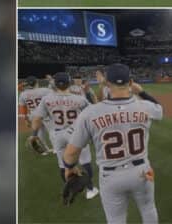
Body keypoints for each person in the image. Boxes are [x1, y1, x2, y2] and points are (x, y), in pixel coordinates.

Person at [64, 63, 163, 223]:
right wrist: (141, 91)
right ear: (131, 82)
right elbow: (159, 108)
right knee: (148, 209)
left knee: (116, 219)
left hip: (110, 176)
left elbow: (71, 153)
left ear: (107, 83)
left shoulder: (90, 112)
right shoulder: (145, 107)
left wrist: (69, 168)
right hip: (142, 172)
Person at [30, 72, 98, 200]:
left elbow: (37, 118)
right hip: (77, 133)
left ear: (55, 84)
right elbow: (93, 114)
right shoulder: (79, 99)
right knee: (85, 162)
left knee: (63, 164)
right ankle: (90, 190)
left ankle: (69, 188)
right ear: (69, 83)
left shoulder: (47, 99)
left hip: (58, 134)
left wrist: (34, 135)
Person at [18, 75, 54, 154]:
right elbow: (55, 90)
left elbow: (23, 108)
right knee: (52, 131)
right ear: (36, 82)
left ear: (27, 84)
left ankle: (45, 150)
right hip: (45, 114)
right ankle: (56, 148)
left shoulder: (23, 94)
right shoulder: (44, 90)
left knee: (40, 133)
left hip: (34, 115)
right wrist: (51, 81)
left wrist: (26, 119)